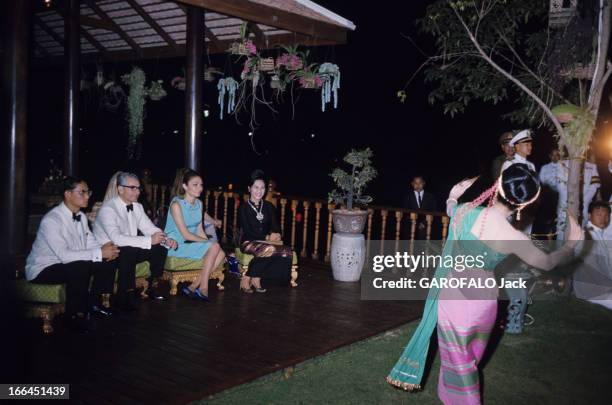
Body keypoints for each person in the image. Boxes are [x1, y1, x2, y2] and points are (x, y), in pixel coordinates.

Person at [386, 164, 583, 404]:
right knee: (469, 357)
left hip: (456, 297)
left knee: (460, 363)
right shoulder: (514, 237)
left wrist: (453, 194)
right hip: (486, 301)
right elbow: (549, 262)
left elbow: (450, 206)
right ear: (523, 204)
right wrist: (571, 244)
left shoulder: (464, 212)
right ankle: (450, 397)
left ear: (498, 185)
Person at [26, 177, 120, 331]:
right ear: (68, 194)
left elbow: (90, 242)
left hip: (69, 263)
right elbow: (64, 256)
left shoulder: (82, 217)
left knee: (107, 260)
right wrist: (98, 253)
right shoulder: (52, 220)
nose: (87, 196)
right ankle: (74, 316)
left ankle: (94, 304)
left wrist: (106, 252)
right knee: (80, 266)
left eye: (88, 192)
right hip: (44, 268)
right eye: (82, 192)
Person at [94, 172, 176, 310]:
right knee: (130, 250)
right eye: (133, 188)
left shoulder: (137, 206)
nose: (138, 191)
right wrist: (149, 240)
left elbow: (149, 228)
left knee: (160, 247)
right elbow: (116, 238)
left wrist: (166, 240)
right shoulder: (108, 209)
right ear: (120, 189)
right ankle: (124, 296)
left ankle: (152, 286)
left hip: (128, 250)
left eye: (138, 188)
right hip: (108, 252)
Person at [164, 169, 226, 301]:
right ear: (185, 186)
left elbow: (200, 230)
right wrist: (209, 244)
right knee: (214, 247)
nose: (200, 188)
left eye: (201, 185)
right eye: (195, 184)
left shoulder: (199, 204)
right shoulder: (176, 204)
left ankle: (193, 287)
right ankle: (203, 288)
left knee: (221, 253)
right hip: (175, 245)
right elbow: (185, 235)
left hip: (190, 242)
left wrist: (210, 245)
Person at [238, 169, 292, 292]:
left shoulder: (268, 206)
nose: (259, 191)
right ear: (249, 188)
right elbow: (248, 231)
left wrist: (277, 234)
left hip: (266, 242)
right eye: (256, 187)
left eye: (262, 188)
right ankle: (247, 277)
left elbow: (276, 227)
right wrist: (267, 238)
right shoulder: (243, 208)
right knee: (268, 249)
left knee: (287, 251)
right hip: (248, 242)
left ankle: (257, 277)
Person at [572, 200, 612, 310]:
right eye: (599, 214)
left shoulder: (598, 234)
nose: (603, 219)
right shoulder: (587, 236)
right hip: (591, 290)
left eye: (606, 215)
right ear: (589, 216)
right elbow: (592, 268)